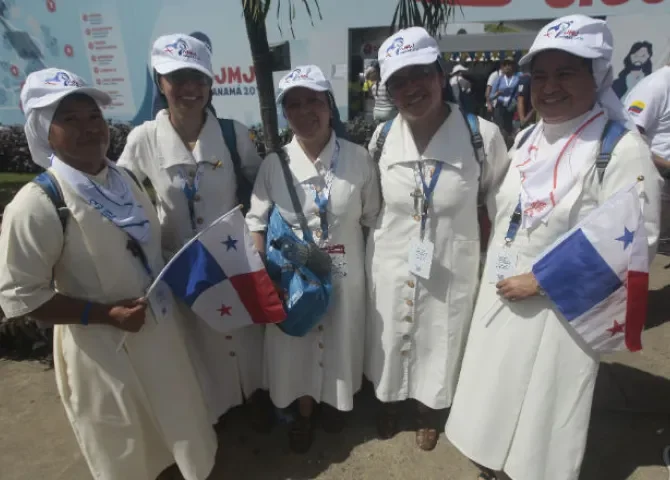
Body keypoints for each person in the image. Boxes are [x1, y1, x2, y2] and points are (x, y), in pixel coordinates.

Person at [445, 15, 662, 480]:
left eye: (566, 73)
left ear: (597, 76)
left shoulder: (621, 149)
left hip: (560, 312)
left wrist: (542, 280)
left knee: (540, 414)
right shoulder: (528, 137)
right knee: (491, 396)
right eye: (540, 76)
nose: (549, 87)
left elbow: (637, 240)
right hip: (500, 292)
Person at [0, 68, 217, 480]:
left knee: (181, 428)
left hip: (161, 337)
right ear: (45, 131)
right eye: (70, 119)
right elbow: (22, 298)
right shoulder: (38, 204)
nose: (88, 128)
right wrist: (104, 315)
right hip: (104, 353)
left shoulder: (124, 179)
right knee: (130, 447)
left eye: (93, 116)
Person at [364, 27, 509, 452]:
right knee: (391, 332)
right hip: (392, 259)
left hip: (451, 260)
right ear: (388, 90)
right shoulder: (382, 137)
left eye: (421, 74)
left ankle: (430, 410)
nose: (411, 88)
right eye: (398, 80)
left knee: (440, 335)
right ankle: (389, 399)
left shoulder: (482, 136)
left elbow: (501, 207)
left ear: (441, 75)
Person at [116, 34, 270, 431]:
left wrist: (258, 233)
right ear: (160, 82)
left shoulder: (233, 134)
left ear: (210, 83)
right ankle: (216, 413)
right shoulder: (144, 139)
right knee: (200, 346)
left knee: (244, 335)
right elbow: (120, 194)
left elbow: (262, 187)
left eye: (198, 78)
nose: (189, 87)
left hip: (232, 261)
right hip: (181, 269)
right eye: (177, 78)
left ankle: (255, 398)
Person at [246, 64, 381, 453]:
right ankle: (303, 412)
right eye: (294, 104)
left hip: (345, 274)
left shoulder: (358, 159)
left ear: (329, 105)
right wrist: (263, 277)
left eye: (314, 101)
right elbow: (256, 222)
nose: (305, 111)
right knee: (299, 346)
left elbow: (372, 218)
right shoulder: (275, 164)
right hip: (295, 279)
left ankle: (333, 403)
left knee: (340, 340)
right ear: (285, 113)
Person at [624, 63, 670, 253]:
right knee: (649, 252)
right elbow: (629, 137)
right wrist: (667, 166)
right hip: (656, 188)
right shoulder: (656, 86)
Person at [489, 57, 521, 140]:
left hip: (510, 107)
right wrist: (497, 94)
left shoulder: (517, 79)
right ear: (502, 67)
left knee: (508, 129)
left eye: (509, 64)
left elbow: (518, 93)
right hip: (499, 107)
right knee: (499, 128)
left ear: (513, 66)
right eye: (505, 65)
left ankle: (505, 144)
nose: (507, 67)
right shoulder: (499, 79)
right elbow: (490, 96)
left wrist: (515, 102)